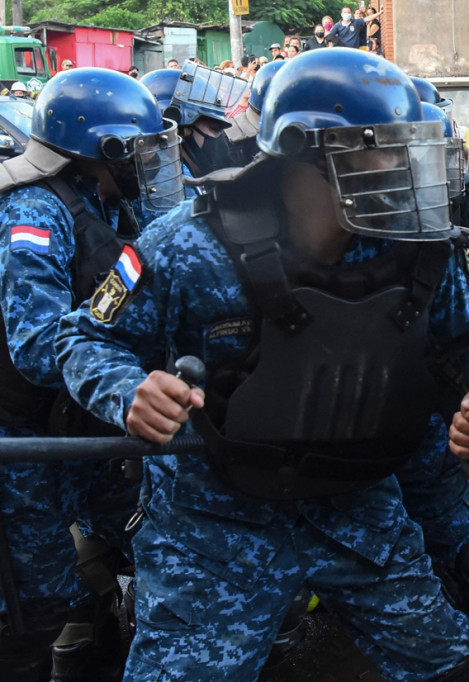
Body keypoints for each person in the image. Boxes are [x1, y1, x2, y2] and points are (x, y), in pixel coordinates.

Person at [56, 48, 469, 682]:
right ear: (304, 154)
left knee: (458, 672)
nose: (404, 170)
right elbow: (82, 339)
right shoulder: (185, 246)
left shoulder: (414, 247)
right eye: (381, 150)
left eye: (411, 149)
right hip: (212, 530)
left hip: (357, 509)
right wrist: (128, 389)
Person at [1, 67, 183, 682]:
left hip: (82, 428)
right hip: (28, 443)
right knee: (33, 605)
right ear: (99, 150)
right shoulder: (34, 212)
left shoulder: (100, 201)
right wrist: (119, 366)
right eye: (135, 147)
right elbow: (36, 345)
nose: (144, 161)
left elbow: (116, 291)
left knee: (138, 535)